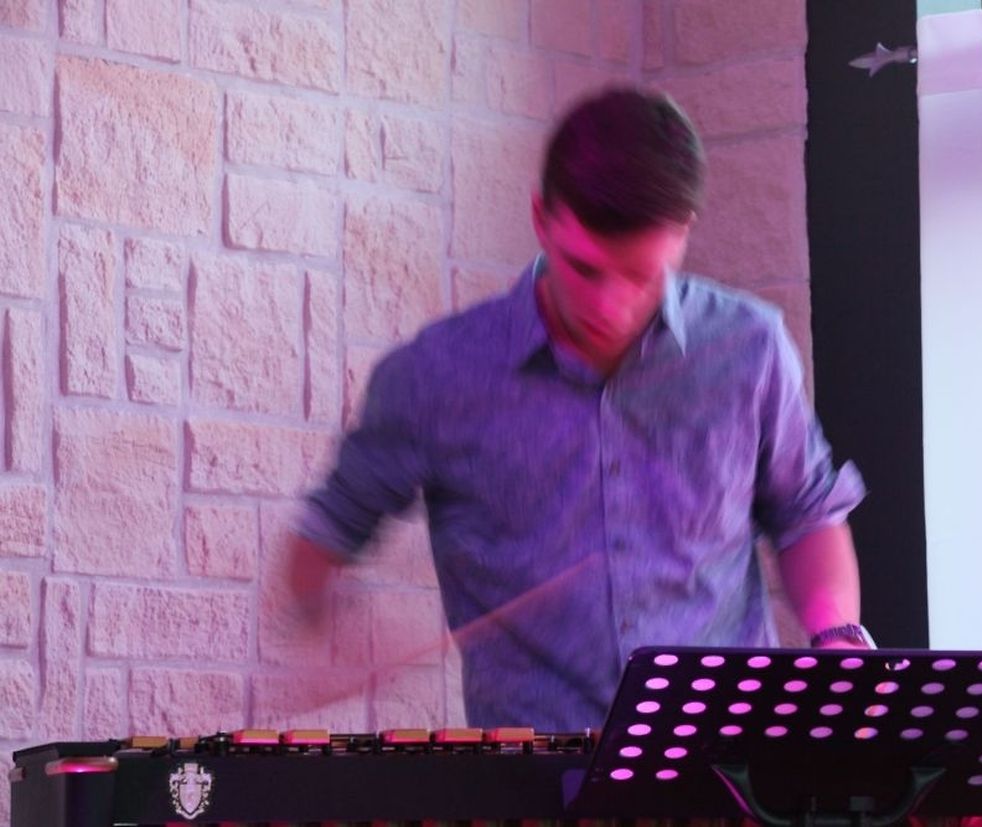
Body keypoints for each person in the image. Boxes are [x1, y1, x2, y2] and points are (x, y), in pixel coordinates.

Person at [287, 87, 869, 731]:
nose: (610, 307)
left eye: (640, 275)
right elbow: (325, 534)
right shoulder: (435, 375)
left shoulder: (749, 347)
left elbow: (806, 514)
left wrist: (835, 634)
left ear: (682, 233)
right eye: (585, 270)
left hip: (723, 746)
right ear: (542, 219)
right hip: (534, 764)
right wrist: (326, 624)